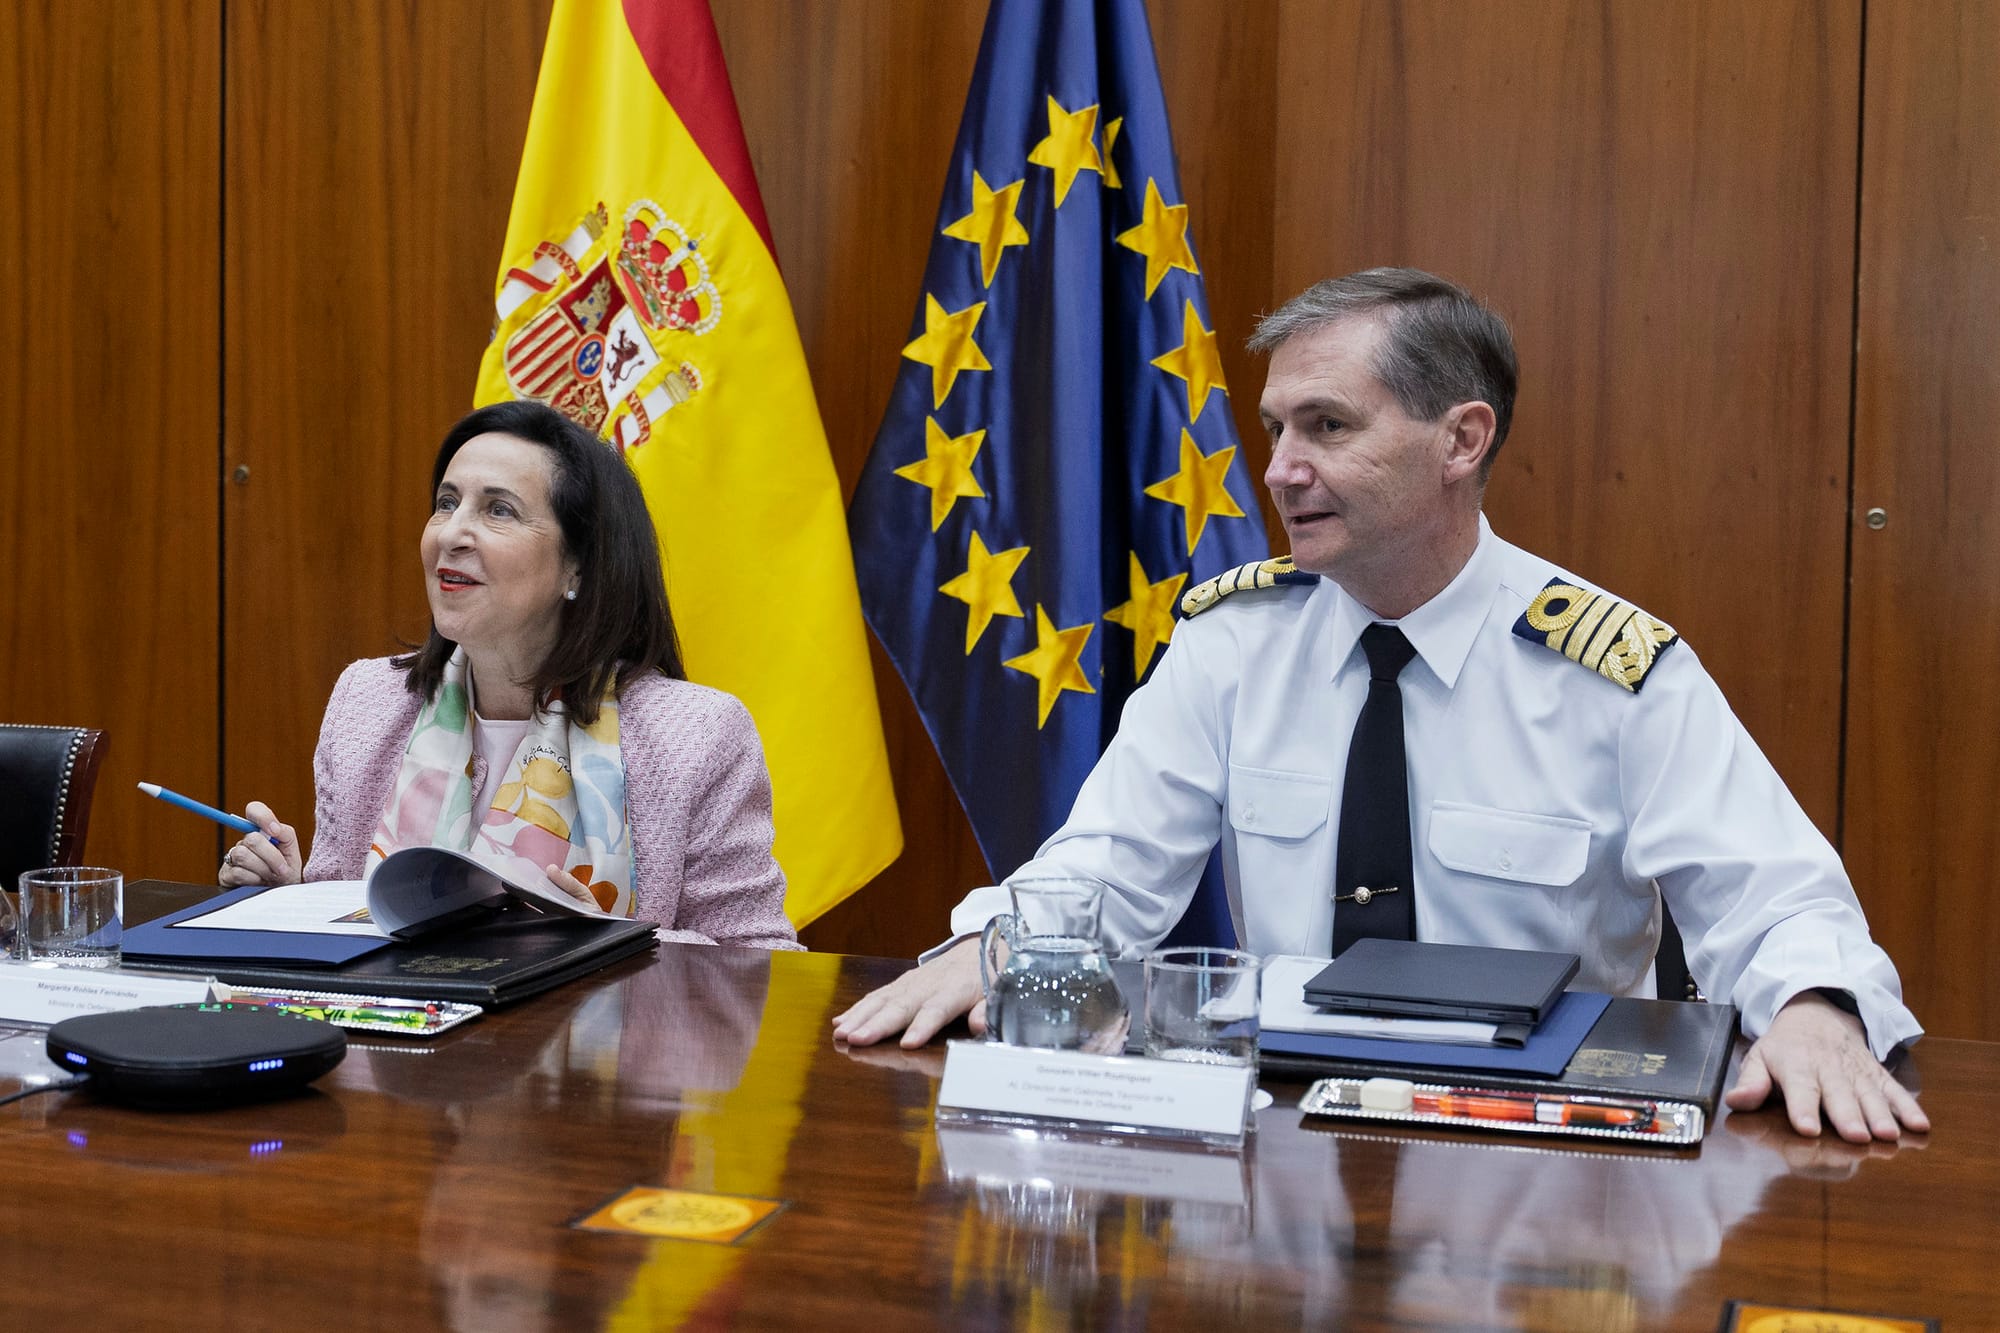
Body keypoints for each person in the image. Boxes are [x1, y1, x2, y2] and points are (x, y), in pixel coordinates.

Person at [834, 268, 1927, 1142]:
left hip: (1537, 1164)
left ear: (1460, 440)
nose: (1277, 470)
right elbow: (1106, 865)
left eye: (1325, 427)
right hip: (1285, 1152)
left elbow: (1776, 896)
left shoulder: (1607, 668)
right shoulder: (1233, 643)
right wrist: (988, 947)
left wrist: (1815, 1009)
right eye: (1272, 429)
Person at [219, 399, 799, 950]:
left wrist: (606, 947)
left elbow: (757, 963)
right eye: (447, 503)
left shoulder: (695, 735)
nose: (450, 533)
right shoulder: (368, 704)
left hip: (594, 1055)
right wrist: (289, 900)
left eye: (499, 509)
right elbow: (355, 921)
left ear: (579, 565)